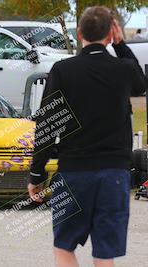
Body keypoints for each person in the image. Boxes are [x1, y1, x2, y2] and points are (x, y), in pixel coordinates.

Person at [28, 6, 148, 267]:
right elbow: (141, 85)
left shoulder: (62, 70)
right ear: (110, 34)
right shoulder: (123, 69)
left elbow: (48, 125)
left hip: (73, 173)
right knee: (105, 254)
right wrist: (122, 45)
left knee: (64, 247)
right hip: (114, 175)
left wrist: (36, 174)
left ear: (79, 32)